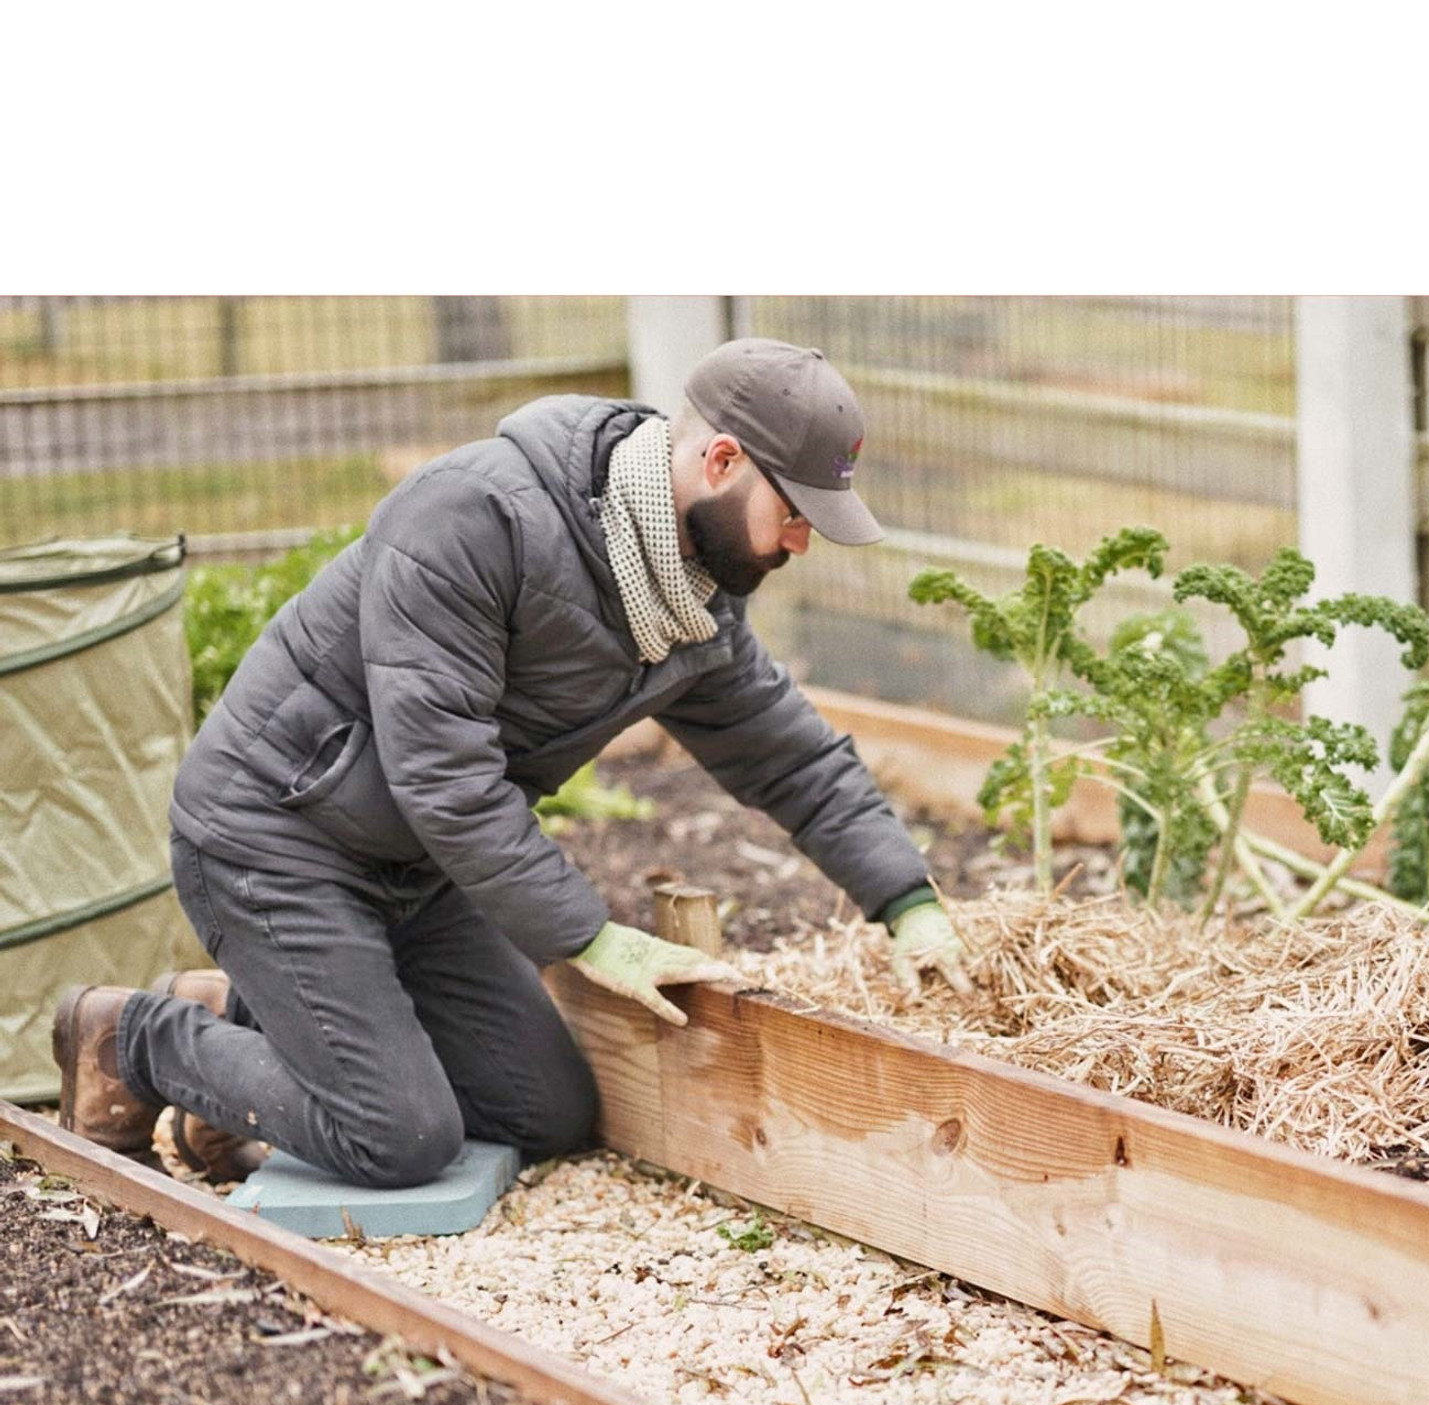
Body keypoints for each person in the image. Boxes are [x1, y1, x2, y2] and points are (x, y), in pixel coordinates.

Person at [51, 337, 967, 1188]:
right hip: (278, 836)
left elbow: (793, 758)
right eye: (795, 512)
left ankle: (251, 1023)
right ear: (721, 461)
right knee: (399, 1135)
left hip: (416, 863)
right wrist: (588, 935)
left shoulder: (689, 606)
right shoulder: (474, 518)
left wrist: (907, 901)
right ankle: (131, 1037)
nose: (801, 542)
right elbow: (442, 776)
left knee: (549, 1112)